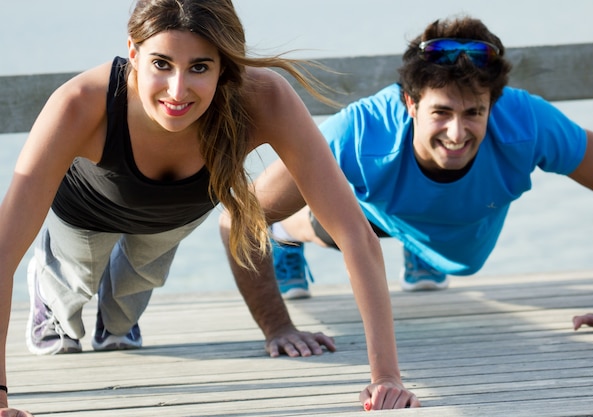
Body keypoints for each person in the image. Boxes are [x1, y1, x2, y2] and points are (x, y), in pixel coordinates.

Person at [0, 0, 420, 414]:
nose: (177, 90)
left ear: (224, 66)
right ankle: (52, 300)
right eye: (161, 64)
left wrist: (386, 376)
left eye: (199, 67)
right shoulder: (79, 103)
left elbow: (353, 233)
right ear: (133, 52)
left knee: (126, 309)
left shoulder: (263, 98)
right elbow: (2, 254)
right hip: (87, 211)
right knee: (73, 290)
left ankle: (116, 318)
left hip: (174, 214)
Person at [240, 15, 593, 337]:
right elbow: (242, 217)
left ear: (494, 103)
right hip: (379, 209)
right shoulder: (357, 134)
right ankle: (286, 236)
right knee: (326, 222)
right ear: (409, 102)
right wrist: (279, 328)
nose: (457, 134)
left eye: (474, 112)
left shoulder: (530, 122)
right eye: (441, 112)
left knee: (458, 258)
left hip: (460, 229)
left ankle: (419, 247)